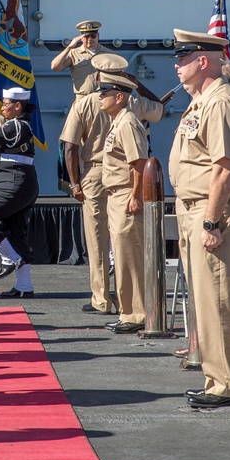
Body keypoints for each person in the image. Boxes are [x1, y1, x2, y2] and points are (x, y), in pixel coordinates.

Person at [167, 29, 230, 409]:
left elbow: (223, 169)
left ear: (204, 61)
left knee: (216, 299)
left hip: (213, 212)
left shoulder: (219, 103)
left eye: (183, 58)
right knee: (204, 298)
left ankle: (229, 383)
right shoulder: (202, 101)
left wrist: (210, 222)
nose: (176, 64)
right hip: (195, 209)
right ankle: (217, 377)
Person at [60, 53, 163, 315]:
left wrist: (73, 183)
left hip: (94, 173)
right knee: (122, 241)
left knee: (97, 239)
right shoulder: (132, 101)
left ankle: (101, 299)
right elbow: (159, 109)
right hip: (124, 177)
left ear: (96, 76)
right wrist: (135, 83)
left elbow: (70, 147)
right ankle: (125, 299)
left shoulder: (83, 103)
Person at [96, 72, 149, 333]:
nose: (100, 97)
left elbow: (138, 162)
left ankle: (136, 314)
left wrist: (135, 196)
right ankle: (127, 311)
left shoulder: (127, 122)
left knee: (129, 257)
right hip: (116, 195)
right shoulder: (118, 121)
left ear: (119, 97)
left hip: (126, 195)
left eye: (104, 94)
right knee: (122, 254)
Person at [0, 87, 39, 296]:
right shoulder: (18, 125)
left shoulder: (18, 125)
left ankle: (9, 257)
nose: (2, 106)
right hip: (15, 181)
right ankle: (24, 286)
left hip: (14, 182)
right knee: (17, 231)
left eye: (6, 103)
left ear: (18, 106)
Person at [50, 20, 113, 98]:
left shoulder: (109, 54)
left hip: (104, 98)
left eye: (93, 36)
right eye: (86, 36)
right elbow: (55, 67)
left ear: (98, 36)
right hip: (82, 98)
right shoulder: (73, 54)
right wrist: (69, 47)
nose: (90, 39)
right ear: (81, 38)